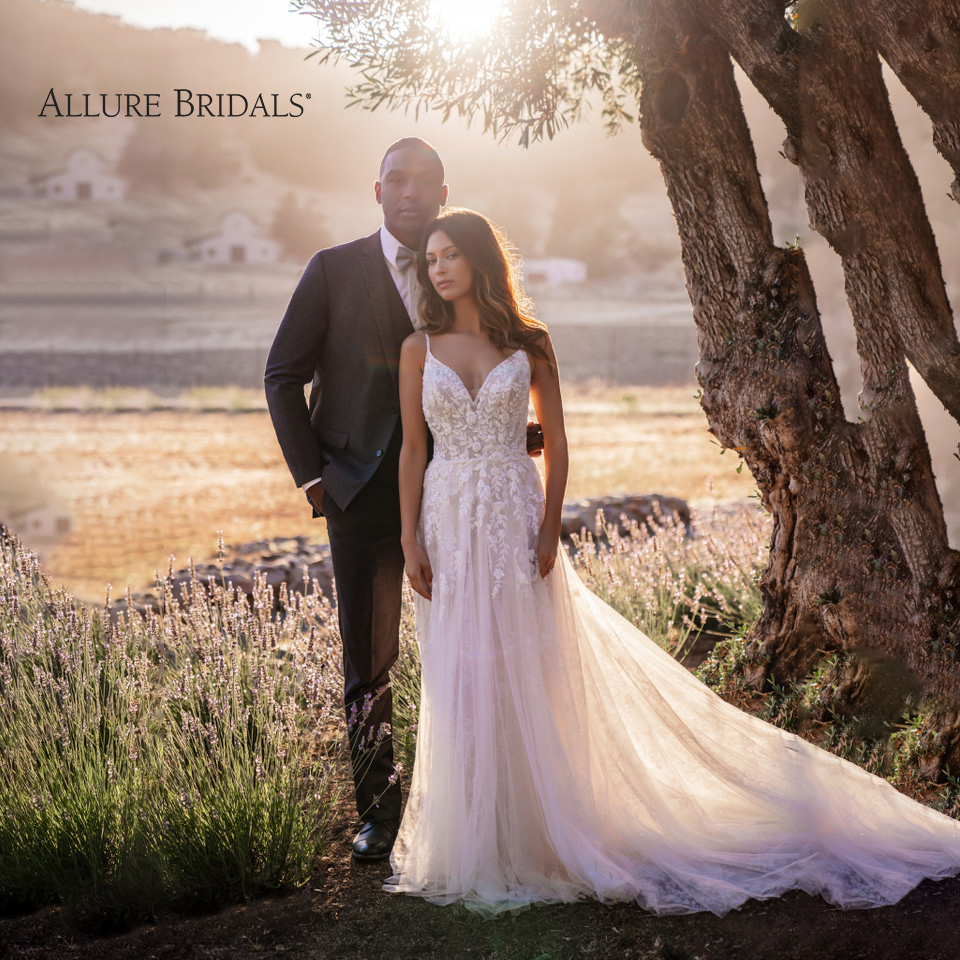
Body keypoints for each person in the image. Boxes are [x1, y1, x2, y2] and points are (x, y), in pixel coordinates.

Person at [386, 207, 960, 916]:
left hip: (511, 511)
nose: (438, 268)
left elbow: (557, 444)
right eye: (430, 259)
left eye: (449, 255)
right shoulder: (418, 347)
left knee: (523, 661)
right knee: (463, 666)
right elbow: (415, 449)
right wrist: (410, 538)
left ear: (477, 259)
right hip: (446, 516)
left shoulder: (529, 343)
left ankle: (540, 830)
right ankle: (478, 836)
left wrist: (548, 529)